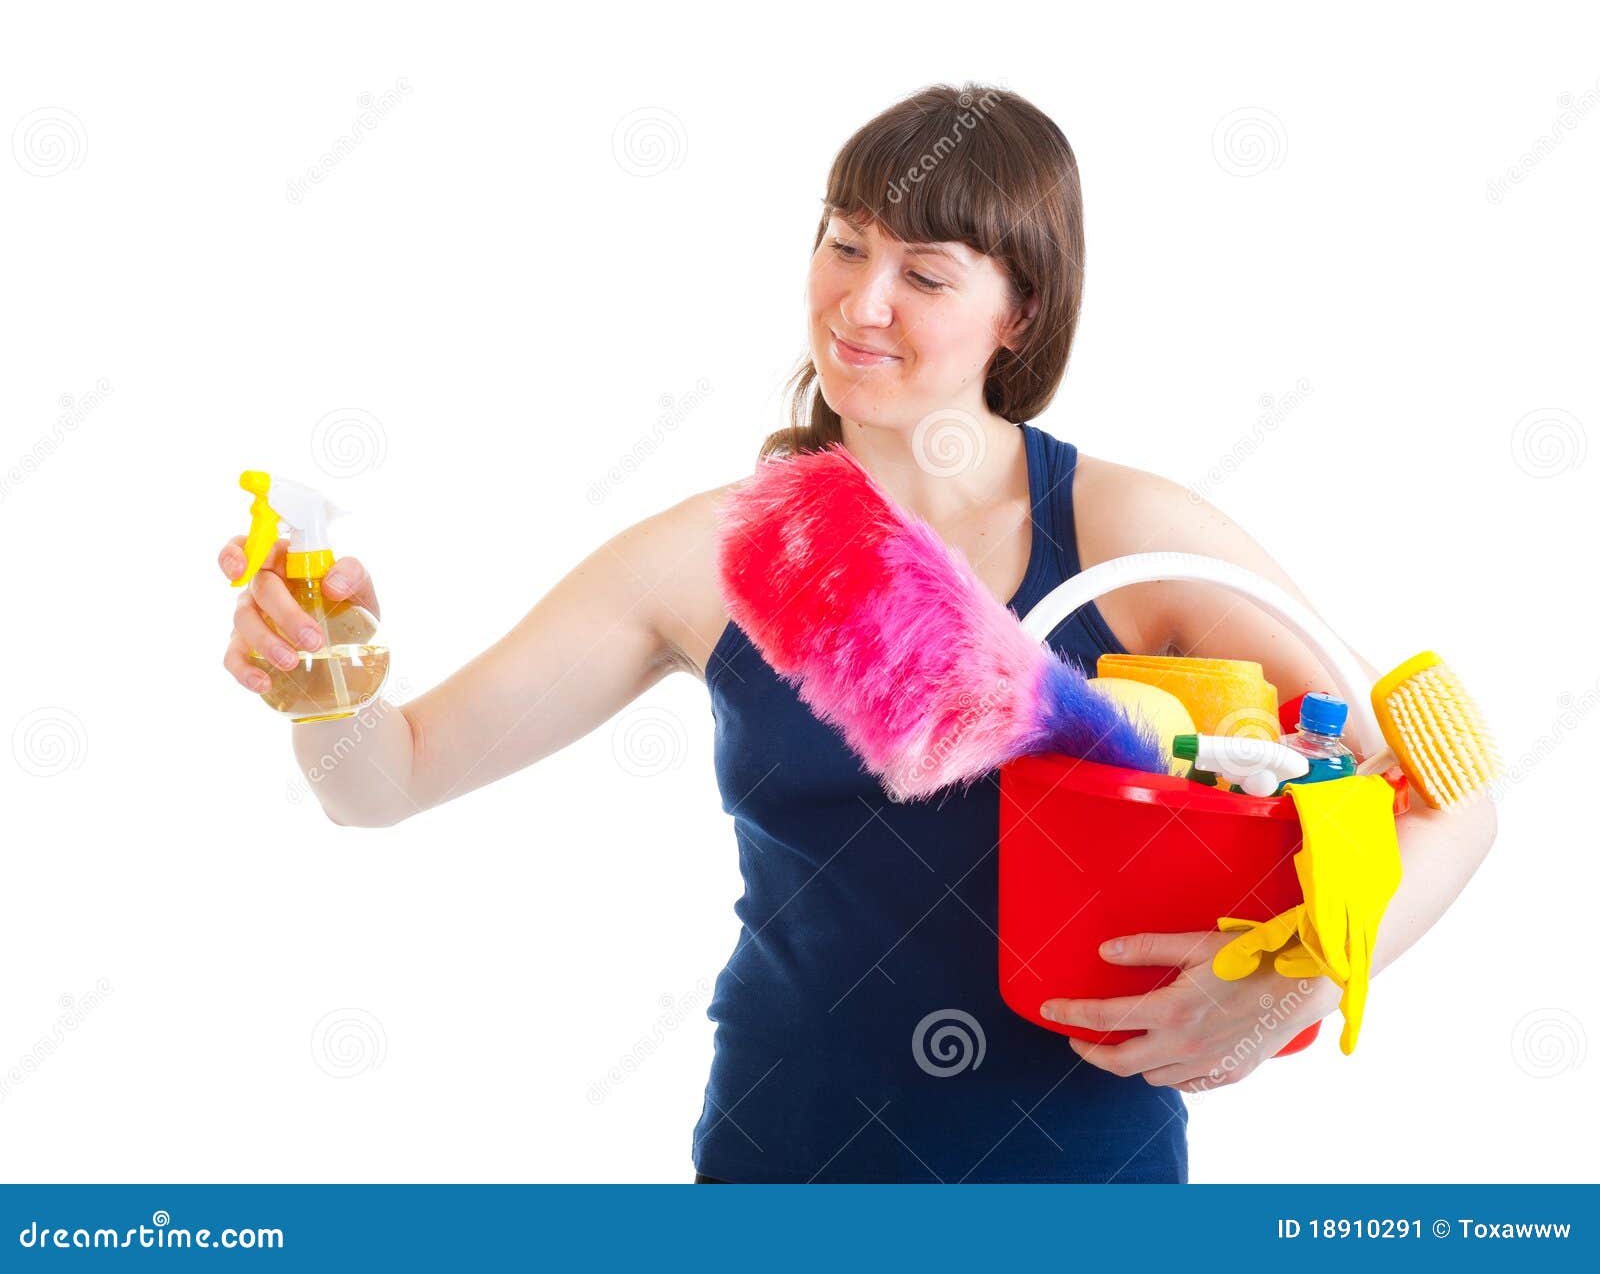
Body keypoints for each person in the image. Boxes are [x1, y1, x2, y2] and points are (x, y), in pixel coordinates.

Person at [218, 83, 1497, 1183]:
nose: (857, 302)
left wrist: (1303, 977)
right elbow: (385, 782)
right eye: (841, 245)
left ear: (1021, 313)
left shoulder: (1127, 533)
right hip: (783, 1163)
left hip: (1083, 1187)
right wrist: (325, 680)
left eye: (925, 275)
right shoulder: (714, 553)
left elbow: (1444, 799)